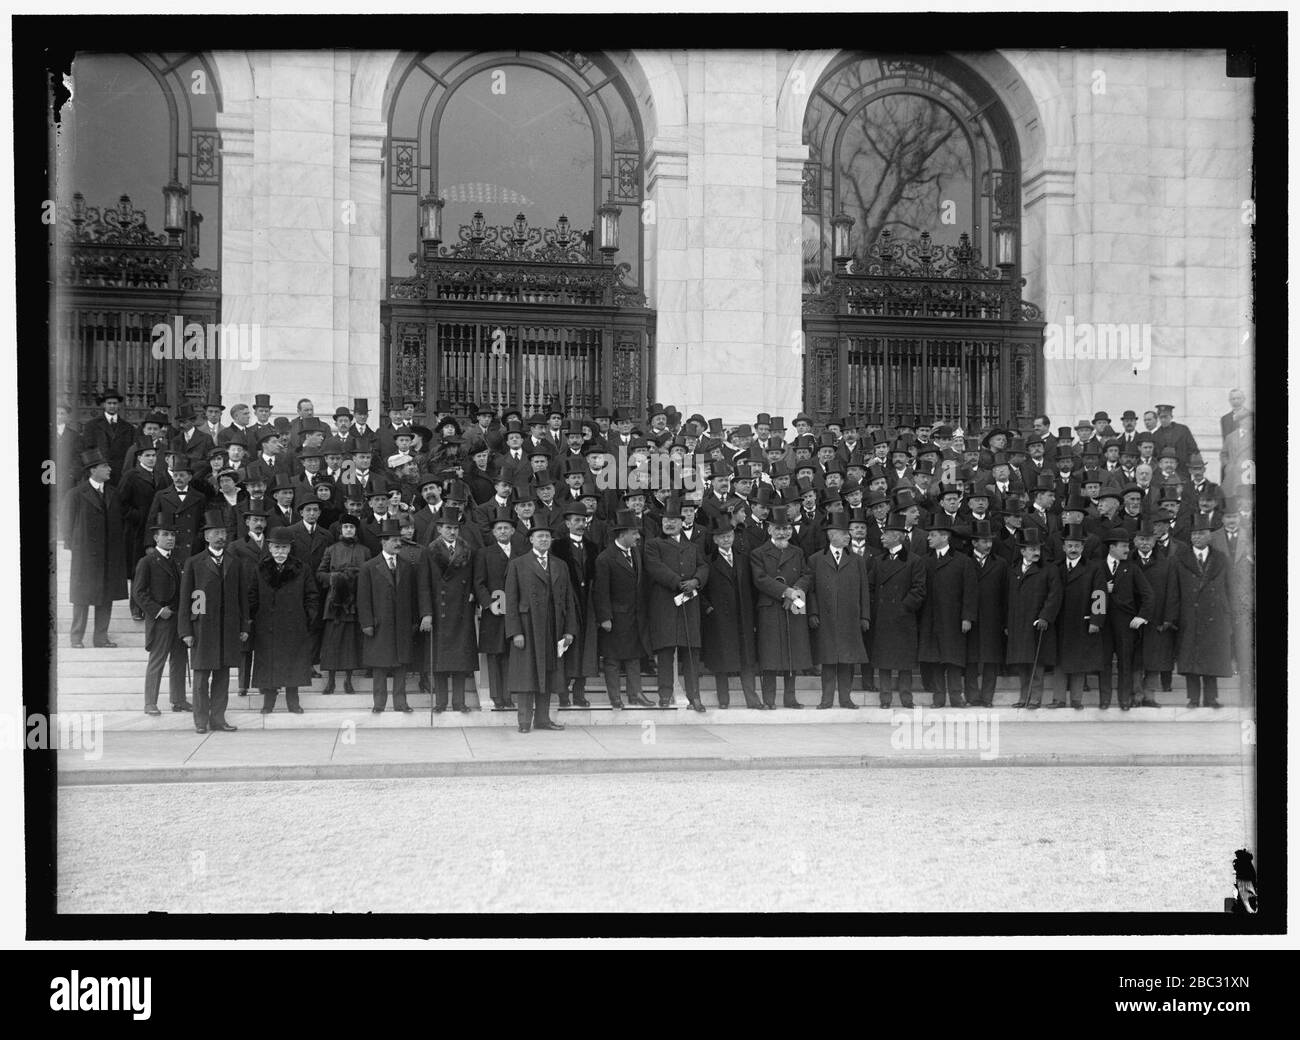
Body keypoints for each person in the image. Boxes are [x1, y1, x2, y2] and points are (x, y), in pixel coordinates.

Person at [178, 509, 251, 732]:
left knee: (222, 677)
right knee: (201, 678)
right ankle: (201, 721)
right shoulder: (194, 562)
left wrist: (244, 625)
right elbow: (186, 598)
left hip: (227, 628)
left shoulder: (234, 562)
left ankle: (218, 719)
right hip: (202, 628)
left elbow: (242, 596)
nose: (221, 536)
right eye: (215, 533)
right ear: (207, 536)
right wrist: (186, 631)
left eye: (223, 532)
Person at [505, 525, 578, 732]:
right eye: (540, 536)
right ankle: (524, 722)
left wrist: (569, 630)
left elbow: (568, 599)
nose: (544, 540)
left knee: (548, 673)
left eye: (547, 536)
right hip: (528, 628)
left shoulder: (560, 565)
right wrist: (515, 631)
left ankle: (543, 719)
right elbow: (511, 601)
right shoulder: (518, 564)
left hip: (553, 627)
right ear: (531, 540)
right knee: (527, 676)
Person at [357, 518, 431, 713]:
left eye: (399, 539)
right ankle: (379, 703)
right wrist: (367, 623)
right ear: (383, 542)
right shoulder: (369, 567)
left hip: (402, 625)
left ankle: (401, 703)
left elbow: (415, 595)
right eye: (393, 540)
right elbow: (363, 599)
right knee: (380, 666)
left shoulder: (407, 566)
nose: (398, 543)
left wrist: (415, 621)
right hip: (379, 624)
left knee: (401, 665)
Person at [643, 496, 710, 711]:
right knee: (665, 651)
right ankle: (665, 694)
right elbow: (655, 568)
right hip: (664, 604)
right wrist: (680, 583)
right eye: (665, 521)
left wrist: (696, 581)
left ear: (682, 522)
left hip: (689, 605)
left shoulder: (692, 547)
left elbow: (704, 567)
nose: (669, 524)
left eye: (673, 520)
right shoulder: (654, 545)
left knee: (691, 652)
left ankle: (694, 697)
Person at [249, 527, 320, 714]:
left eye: (284, 548)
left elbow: (311, 595)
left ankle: (293, 702)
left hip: (294, 624)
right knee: (269, 664)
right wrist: (254, 619)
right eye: (277, 548)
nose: (280, 552)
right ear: (270, 548)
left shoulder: (301, 569)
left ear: (290, 549)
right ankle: (269, 702)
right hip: (267, 626)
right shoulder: (260, 569)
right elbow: (252, 596)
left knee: (293, 663)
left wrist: (307, 618)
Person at [750, 505, 814, 709]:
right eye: (778, 529)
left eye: (786, 528)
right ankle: (769, 699)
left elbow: (807, 575)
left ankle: (790, 697)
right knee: (770, 655)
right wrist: (785, 591)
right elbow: (760, 579)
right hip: (770, 607)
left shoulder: (797, 552)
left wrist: (795, 591)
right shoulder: (758, 553)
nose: (782, 532)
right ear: (769, 530)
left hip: (794, 606)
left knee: (791, 652)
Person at [807, 512, 871, 709]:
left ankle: (845, 698)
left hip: (849, 618)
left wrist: (864, 616)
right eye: (844, 533)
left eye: (848, 533)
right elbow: (811, 590)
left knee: (847, 660)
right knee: (828, 660)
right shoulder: (816, 559)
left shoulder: (857, 560)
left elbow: (864, 590)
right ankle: (826, 699)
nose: (848, 536)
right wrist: (813, 613)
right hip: (825, 618)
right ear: (831, 535)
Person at [64, 449, 128, 648]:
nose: (109, 469)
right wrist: (77, 547)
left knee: (106, 596)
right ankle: (76, 638)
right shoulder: (76, 493)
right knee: (82, 597)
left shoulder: (113, 493)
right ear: (92, 470)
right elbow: (67, 525)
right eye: (104, 466)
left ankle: (101, 638)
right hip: (86, 555)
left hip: (109, 554)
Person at [131, 512, 191, 716]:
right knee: (157, 661)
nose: (170, 538)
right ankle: (150, 702)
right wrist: (157, 611)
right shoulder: (147, 561)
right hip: (161, 620)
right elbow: (138, 592)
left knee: (180, 660)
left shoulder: (177, 561)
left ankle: (179, 700)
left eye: (173, 535)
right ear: (156, 537)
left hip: (178, 619)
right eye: (166, 534)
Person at [700, 515, 762, 709]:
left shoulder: (744, 559)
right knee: (721, 660)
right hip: (719, 619)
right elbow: (700, 590)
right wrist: (709, 608)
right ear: (715, 540)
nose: (726, 539)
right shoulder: (709, 562)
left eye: (729, 535)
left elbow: (753, 588)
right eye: (721, 537)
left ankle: (752, 699)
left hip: (743, 616)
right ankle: (723, 700)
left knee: (747, 660)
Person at [1170, 516, 1232, 708]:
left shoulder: (1221, 558)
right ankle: (1193, 698)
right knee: (1190, 659)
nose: (1197, 537)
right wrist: (1173, 617)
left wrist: (1229, 616)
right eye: (1194, 534)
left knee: (1211, 658)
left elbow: (1229, 589)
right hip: (1189, 616)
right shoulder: (1179, 558)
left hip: (1214, 618)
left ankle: (1211, 698)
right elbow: (1174, 591)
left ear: (1210, 536)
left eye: (1202, 533)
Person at [917, 513, 977, 708]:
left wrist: (967, 617)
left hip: (953, 619)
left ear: (945, 537)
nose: (929, 538)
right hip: (931, 618)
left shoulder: (962, 561)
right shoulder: (924, 561)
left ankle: (956, 697)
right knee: (934, 659)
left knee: (953, 660)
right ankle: (939, 698)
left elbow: (970, 592)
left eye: (933, 535)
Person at [869, 512, 927, 708]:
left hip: (904, 617)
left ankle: (906, 698)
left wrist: (903, 608)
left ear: (898, 536)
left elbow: (919, 589)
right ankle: (885, 699)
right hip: (883, 617)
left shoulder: (914, 560)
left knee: (904, 662)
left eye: (886, 533)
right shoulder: (878, 561)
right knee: (883, 661)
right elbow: (870, 587)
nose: (882, 537)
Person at [425, 505, 479, 713]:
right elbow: (425, 583)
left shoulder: (467, 549)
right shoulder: (430, 550)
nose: (452, 531)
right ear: (439, 529)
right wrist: (427, 612)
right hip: (440, 610)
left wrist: (473, 592)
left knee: (460, 658)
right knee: (439, 659)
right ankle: (440, 702)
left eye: (455, 528)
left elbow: (475, 575)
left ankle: (459, 702)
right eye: (448, 528)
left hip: (462, 609)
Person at [1004, 527, 1061, 709]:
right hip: (1018, 624)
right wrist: (1007, 623)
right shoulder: (1013, 571)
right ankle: (1023, 697)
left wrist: (1045, 616)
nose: (1036, 553)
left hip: (1037, 624)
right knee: (1022, 662)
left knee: (1037, 663)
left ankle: (1034, 698)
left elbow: (1055, 596)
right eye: (1032, 549)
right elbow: (1006, 599)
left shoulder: (1049, 570)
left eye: (1038, 549)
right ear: (1022, 551)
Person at [551, 502, 601, 707]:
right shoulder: (558, 546)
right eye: (576, 521)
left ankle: (579, 693)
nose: (581, 524)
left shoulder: (593, 546)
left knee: (586, 650)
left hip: (587, 603)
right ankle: (563, 694)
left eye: (583, 520)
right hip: (566, 603)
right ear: (567, 523)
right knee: (567, 649)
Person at [1096, 528, 1152, 710]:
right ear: (1112, 547)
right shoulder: (1097, 567)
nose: (1127, 550)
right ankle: (1104, 700)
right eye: (1123, 546)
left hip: (1125, 623)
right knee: (1103, 663)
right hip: (1103, 623)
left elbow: (1148, 595)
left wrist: (1142, 616)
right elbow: (1087, 593)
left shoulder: (1132, 568)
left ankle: (1124, 700)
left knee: (1125, 663)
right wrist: (1104, 589)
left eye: (1127, 546)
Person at [1051, 523, 1106, 709]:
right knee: (1058, 661)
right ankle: (1058, 699)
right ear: (1063, 547)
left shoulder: (1094, 568)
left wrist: (1096, 620)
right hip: (1059, 622)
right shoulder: (1055, 568)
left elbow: (1099, 594)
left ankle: (1076, 700)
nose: (1073, 549)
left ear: (1082, 547)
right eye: (1069, 545)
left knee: (1078, 662)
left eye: (1077, 546)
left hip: (1081, 622)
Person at [474, 509, 522, 710]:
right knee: (495, 655)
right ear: (493, 533)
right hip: (493, 613)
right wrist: (488, 603)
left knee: (511, 655)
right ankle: (496, 697)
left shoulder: (522, 554)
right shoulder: (484, 554)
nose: (502, 531)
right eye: (499, 528)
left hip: (514, 612)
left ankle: (508, 696)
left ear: (512, 531)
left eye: (506, 528)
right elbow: (478, 582)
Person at [316, 512, 368, 695]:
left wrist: (356, 577)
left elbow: (369, 575)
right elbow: (320, 573)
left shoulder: (364, 551)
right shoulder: (331, 549)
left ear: (355, 530)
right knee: (332, 641)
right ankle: (330, 681)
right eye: (345, 527)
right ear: (341, 529)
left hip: (353, 602)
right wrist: (335, 578)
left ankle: (348, 680)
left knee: (350, 643)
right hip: (334, 603)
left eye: (351, 527)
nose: (348, 530)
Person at [963, 519, 1008, 707]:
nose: (988, 545)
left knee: (991, 660)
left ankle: (987, 697)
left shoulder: (1000, 563)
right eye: (984, 541)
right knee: (971, 660)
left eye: (990, 541)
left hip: (993, 619)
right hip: (971, 617)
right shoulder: (964, 561)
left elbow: (1006, 594)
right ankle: (972, 696)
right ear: (974, 543)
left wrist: (1005, 622)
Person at [1132, 521, 1177, 705]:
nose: (1144, 543)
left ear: (1154, 541)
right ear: (1135, 541)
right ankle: (1136, 694)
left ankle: (1149, 695)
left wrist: (1168, 618)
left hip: (1156, 619)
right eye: (1141, 539)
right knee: (1134, 660)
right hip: (1132, 620)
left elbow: (1172, 592)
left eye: (1148, 540)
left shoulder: (1165, 564)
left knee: (1154, 659)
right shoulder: (1128, 562)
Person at [79, 388, 135, 486]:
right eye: (109, 403)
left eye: (115, 403)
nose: (112, 406)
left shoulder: (128, 427)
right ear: (104, 404)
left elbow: (131, 452)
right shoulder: (92, 425)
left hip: (120, 473)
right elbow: (87, 450)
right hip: (100, 471)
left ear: (119, 405)